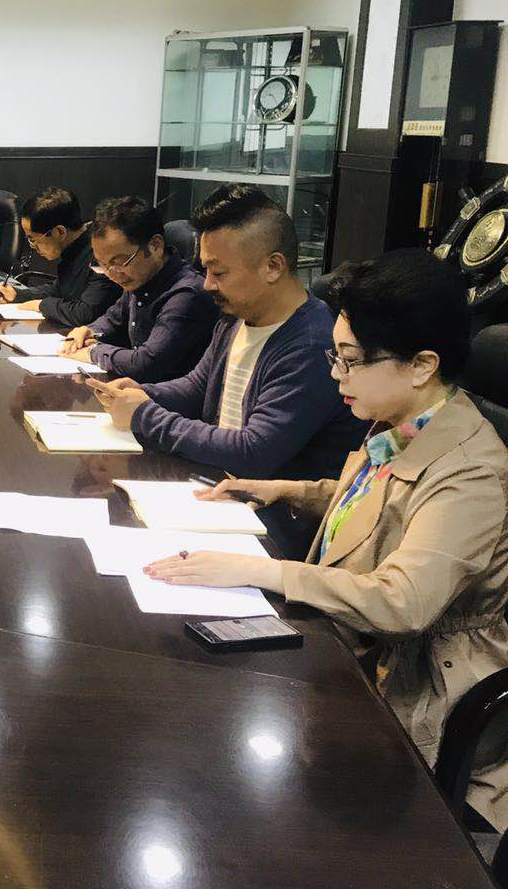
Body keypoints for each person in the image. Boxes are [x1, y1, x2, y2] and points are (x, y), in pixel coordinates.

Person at [144, 249, 508, 831]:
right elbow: (382, 499)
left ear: (422, 364)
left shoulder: (472, 473)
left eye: (351, 361)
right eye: (335, 357)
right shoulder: (409, 421)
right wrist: (288, 489)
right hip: (357, 649)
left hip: (423, 695)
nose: (337, 375)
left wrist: (258, 570)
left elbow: (404, 601)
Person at [87, 184, 365, 558]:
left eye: (219, 272)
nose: (207, 285)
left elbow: (254, 451)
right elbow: (198, 387)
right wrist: (140, 392)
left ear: (273, 266)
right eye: (205, 270)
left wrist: (145, 415)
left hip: (272, 528)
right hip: (217, 492)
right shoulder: (236, 316)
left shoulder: (312, 343)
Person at [59, 195, 218, 382]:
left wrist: (93, 351)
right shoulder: (140, 279)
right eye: (102, 264)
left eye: (120, 262)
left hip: (165, 396)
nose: (112, 274)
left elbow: (145, 363)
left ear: (155, 245)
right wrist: (88, 331)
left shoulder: (186, 294)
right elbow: (112, 320)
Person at [0, 186, 120, 327]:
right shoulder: (74, 248)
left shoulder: (101, 252)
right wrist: (19, 295)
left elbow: (86, 313)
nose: (33, 246)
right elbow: (60, 290)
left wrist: (41, 305)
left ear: (59, 232)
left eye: (33, 239)